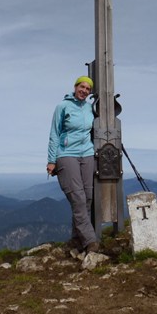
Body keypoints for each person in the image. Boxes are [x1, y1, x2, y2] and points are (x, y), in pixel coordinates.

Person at [47, 76, 99, 254]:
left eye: (88, 89)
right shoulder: (63, 106)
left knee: (88, 197)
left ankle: (77, 239)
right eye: (82, 87)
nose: (84, 91)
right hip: (67, 155)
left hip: (88, 154)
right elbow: (54, 133)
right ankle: (91, 241)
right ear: (75, 87)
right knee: (77, 198)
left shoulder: (90, 108)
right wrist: (51, 160)